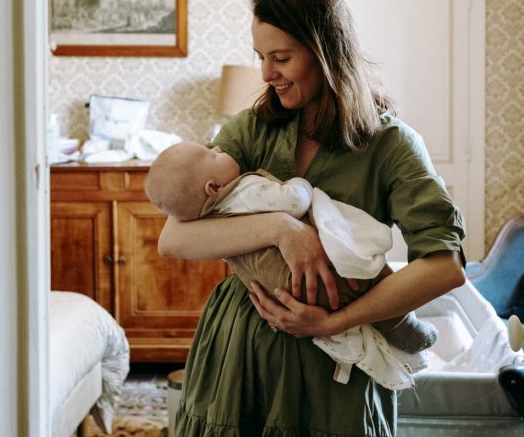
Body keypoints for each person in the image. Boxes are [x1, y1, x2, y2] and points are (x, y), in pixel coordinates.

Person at [158, 0, 466, 437]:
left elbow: (444, 265)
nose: (267, 73)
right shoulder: (252, 131)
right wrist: (279, 229)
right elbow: (176, 240)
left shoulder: (389, 145)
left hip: (333, 380)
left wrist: (328, 324)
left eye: (281, 57)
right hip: (239, 360)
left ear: (325, 51)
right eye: (261, 56)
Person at [144, 140, 438, 360]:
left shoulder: (206, 213)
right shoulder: (246, 190)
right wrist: (299, 190)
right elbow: (293, 200)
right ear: (212, 186)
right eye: (215, 154)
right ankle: (405, 328)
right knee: (368, 277)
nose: (220, 147)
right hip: (311, 275)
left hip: (277, 292)